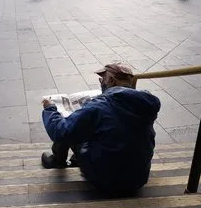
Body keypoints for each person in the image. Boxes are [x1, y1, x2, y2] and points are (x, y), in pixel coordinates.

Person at [41, 63, 160, 194]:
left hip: (105, 180)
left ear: (111, 80)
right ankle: (77, 159)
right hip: (138, 178)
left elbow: (61, 131)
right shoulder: (147, 103)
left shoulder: (100, 106)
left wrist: (50, 109)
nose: (101, 82)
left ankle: (58, 161)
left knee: (69, 123)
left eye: (102, 79)